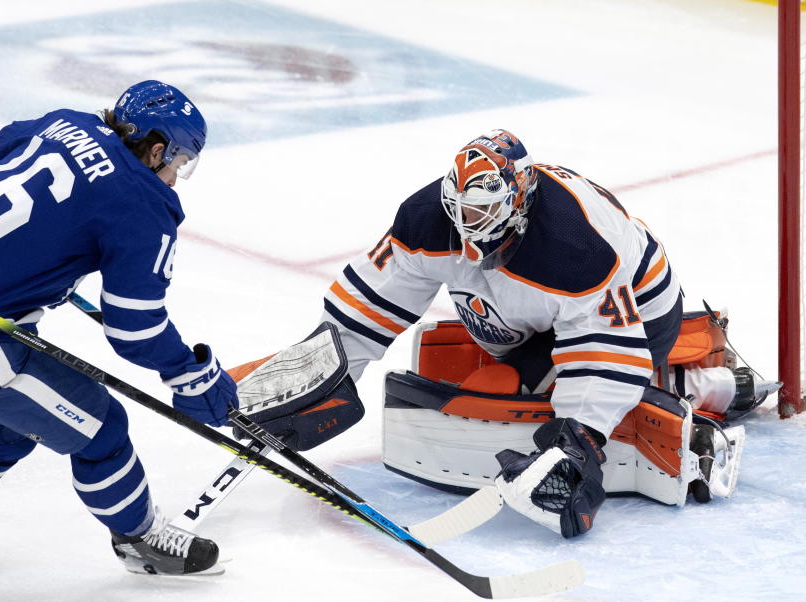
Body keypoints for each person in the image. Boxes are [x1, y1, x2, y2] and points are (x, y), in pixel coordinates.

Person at [0, 80, 239, 575]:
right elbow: (134, 327)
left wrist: (35, 257)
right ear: (157, 149)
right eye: (179, 164)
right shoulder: (142, 204)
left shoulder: (64, 122)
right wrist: (191, 376)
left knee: (0, 434)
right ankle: (141, 542)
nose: (175, 179)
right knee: (103, 429)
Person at [317, 129, 777, 538]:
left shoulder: (578, 244)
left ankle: (704, 388)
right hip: (543, 315)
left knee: (530, 393)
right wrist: (322, 367)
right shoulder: (425, 217)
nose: (467, 227)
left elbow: (606, 352)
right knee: (501, 373)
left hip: (641, 306)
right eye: (461, 210)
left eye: (481, 212)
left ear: (520, 196)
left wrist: (580, 442)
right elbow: (370, 302)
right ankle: (689, 383)